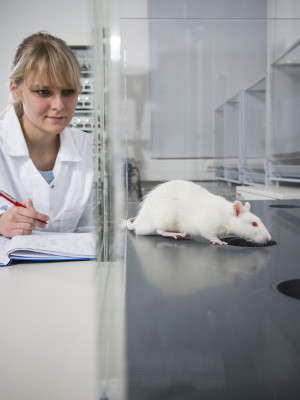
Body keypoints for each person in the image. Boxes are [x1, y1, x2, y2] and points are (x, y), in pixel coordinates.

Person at [0, 31, 94, 238]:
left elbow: (96, 230)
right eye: (43, 92)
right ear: (15, 90)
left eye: (68, 91)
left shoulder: (88, 147)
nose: (59, 105)